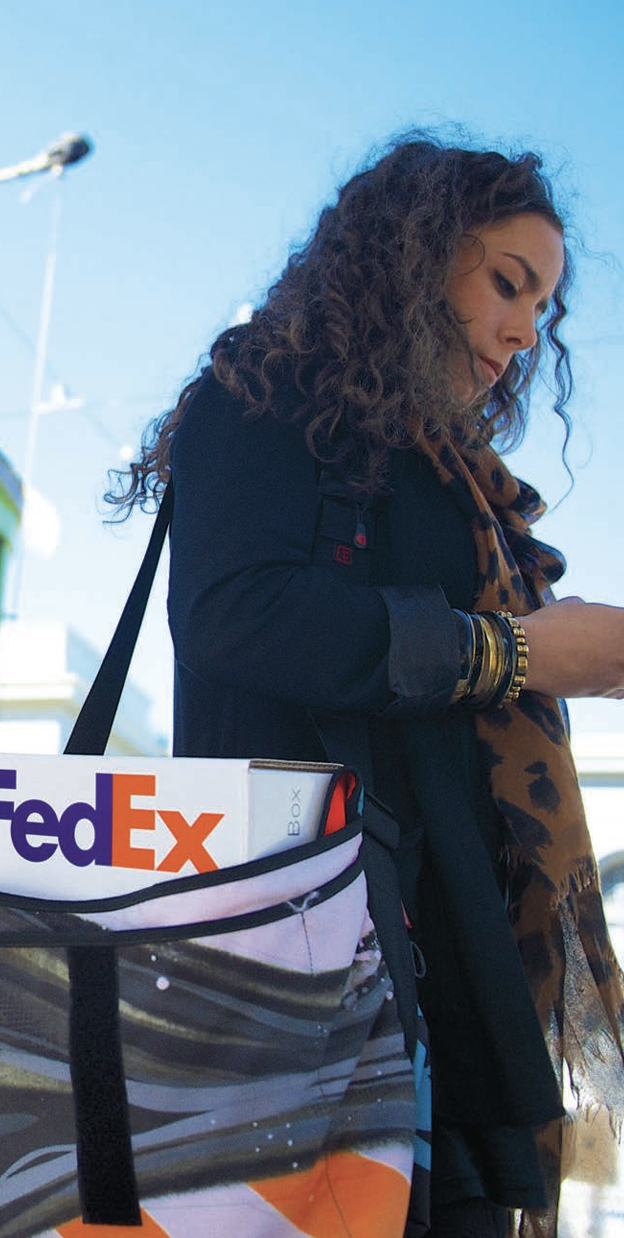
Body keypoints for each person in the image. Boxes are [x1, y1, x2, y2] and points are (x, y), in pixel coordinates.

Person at [110, 131, 624, 1238]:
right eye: (508, 282)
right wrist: (519, 652)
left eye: (544, 307)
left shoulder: (452, 474)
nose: (527, 328)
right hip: (293, 985)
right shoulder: (260, 396)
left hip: (450, 995)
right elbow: (231, 611)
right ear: (418, 252)